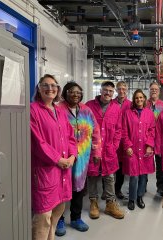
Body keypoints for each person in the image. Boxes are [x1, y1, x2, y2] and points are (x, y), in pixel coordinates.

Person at [30, 74, 77, 240]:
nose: (50, 88)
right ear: (39, 89)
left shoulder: (60, 111)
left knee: (57, 212)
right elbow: (37, 142)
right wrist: (58, 159)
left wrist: (72, 156)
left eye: (53, 85)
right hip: (46, 172)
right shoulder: (33, 110)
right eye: (45, 85)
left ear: (57, 90)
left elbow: (71, 137)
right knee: (43, 218)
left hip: (64, 171)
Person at [55, 82, 102, 236]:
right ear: (65, 93)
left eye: (78, 92)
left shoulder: (86, 111)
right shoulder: (58, 109)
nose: (75, 94)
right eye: (71, 92)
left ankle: (76, 218)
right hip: (63, 158)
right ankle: (59, 219)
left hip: (82, 158)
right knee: (61, 188)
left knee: (79, 188)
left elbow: (95, 132)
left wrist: (96, 152)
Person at [85, 81, 125, 220]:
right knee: (93, 176)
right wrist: (88, 145)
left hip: (109, 148)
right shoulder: (89, 106)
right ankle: (93, 202)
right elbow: (84, 127)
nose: (108, 93)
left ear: (113, 93)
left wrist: (114, 146)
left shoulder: (116, 107)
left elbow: (119, 130)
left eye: (110, 91)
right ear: (100, 91)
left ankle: (110, 204)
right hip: (93, 148)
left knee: (109, 177)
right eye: (105, 90)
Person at [121, 89, 156, 210]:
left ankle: (140, 196)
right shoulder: (127, 113)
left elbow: (152, 130)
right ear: (134, 100)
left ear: (144, 99)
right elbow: (124, 132)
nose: (139, 100)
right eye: (137, 98)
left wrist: (149, 145)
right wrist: (128, 146)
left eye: (141, 97)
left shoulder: (149, 113)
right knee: (134, 175)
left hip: (145, 149)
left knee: (143, 176)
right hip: (133, 149)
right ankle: (131, 198)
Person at [146, 82, 163, 196]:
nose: (154, 91)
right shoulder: (144, 103)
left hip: (159, 139)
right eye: (152, 89)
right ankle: (142, 187)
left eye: (156, 89)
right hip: (145, 138)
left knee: (160, 165)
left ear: (159, 91)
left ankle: (161, 187)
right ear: (149, 90)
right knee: (144, 163)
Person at [113, 81, 131, 200]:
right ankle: (106, 190)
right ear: (116, 90)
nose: (121, 91)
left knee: (121, 167)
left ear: (127, 90)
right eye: (119, 88)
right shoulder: (111, 103)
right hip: (111, 138)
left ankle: (117, 189)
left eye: (124, 89)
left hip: (124, 140)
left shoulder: (130, 104)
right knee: (108, 165)